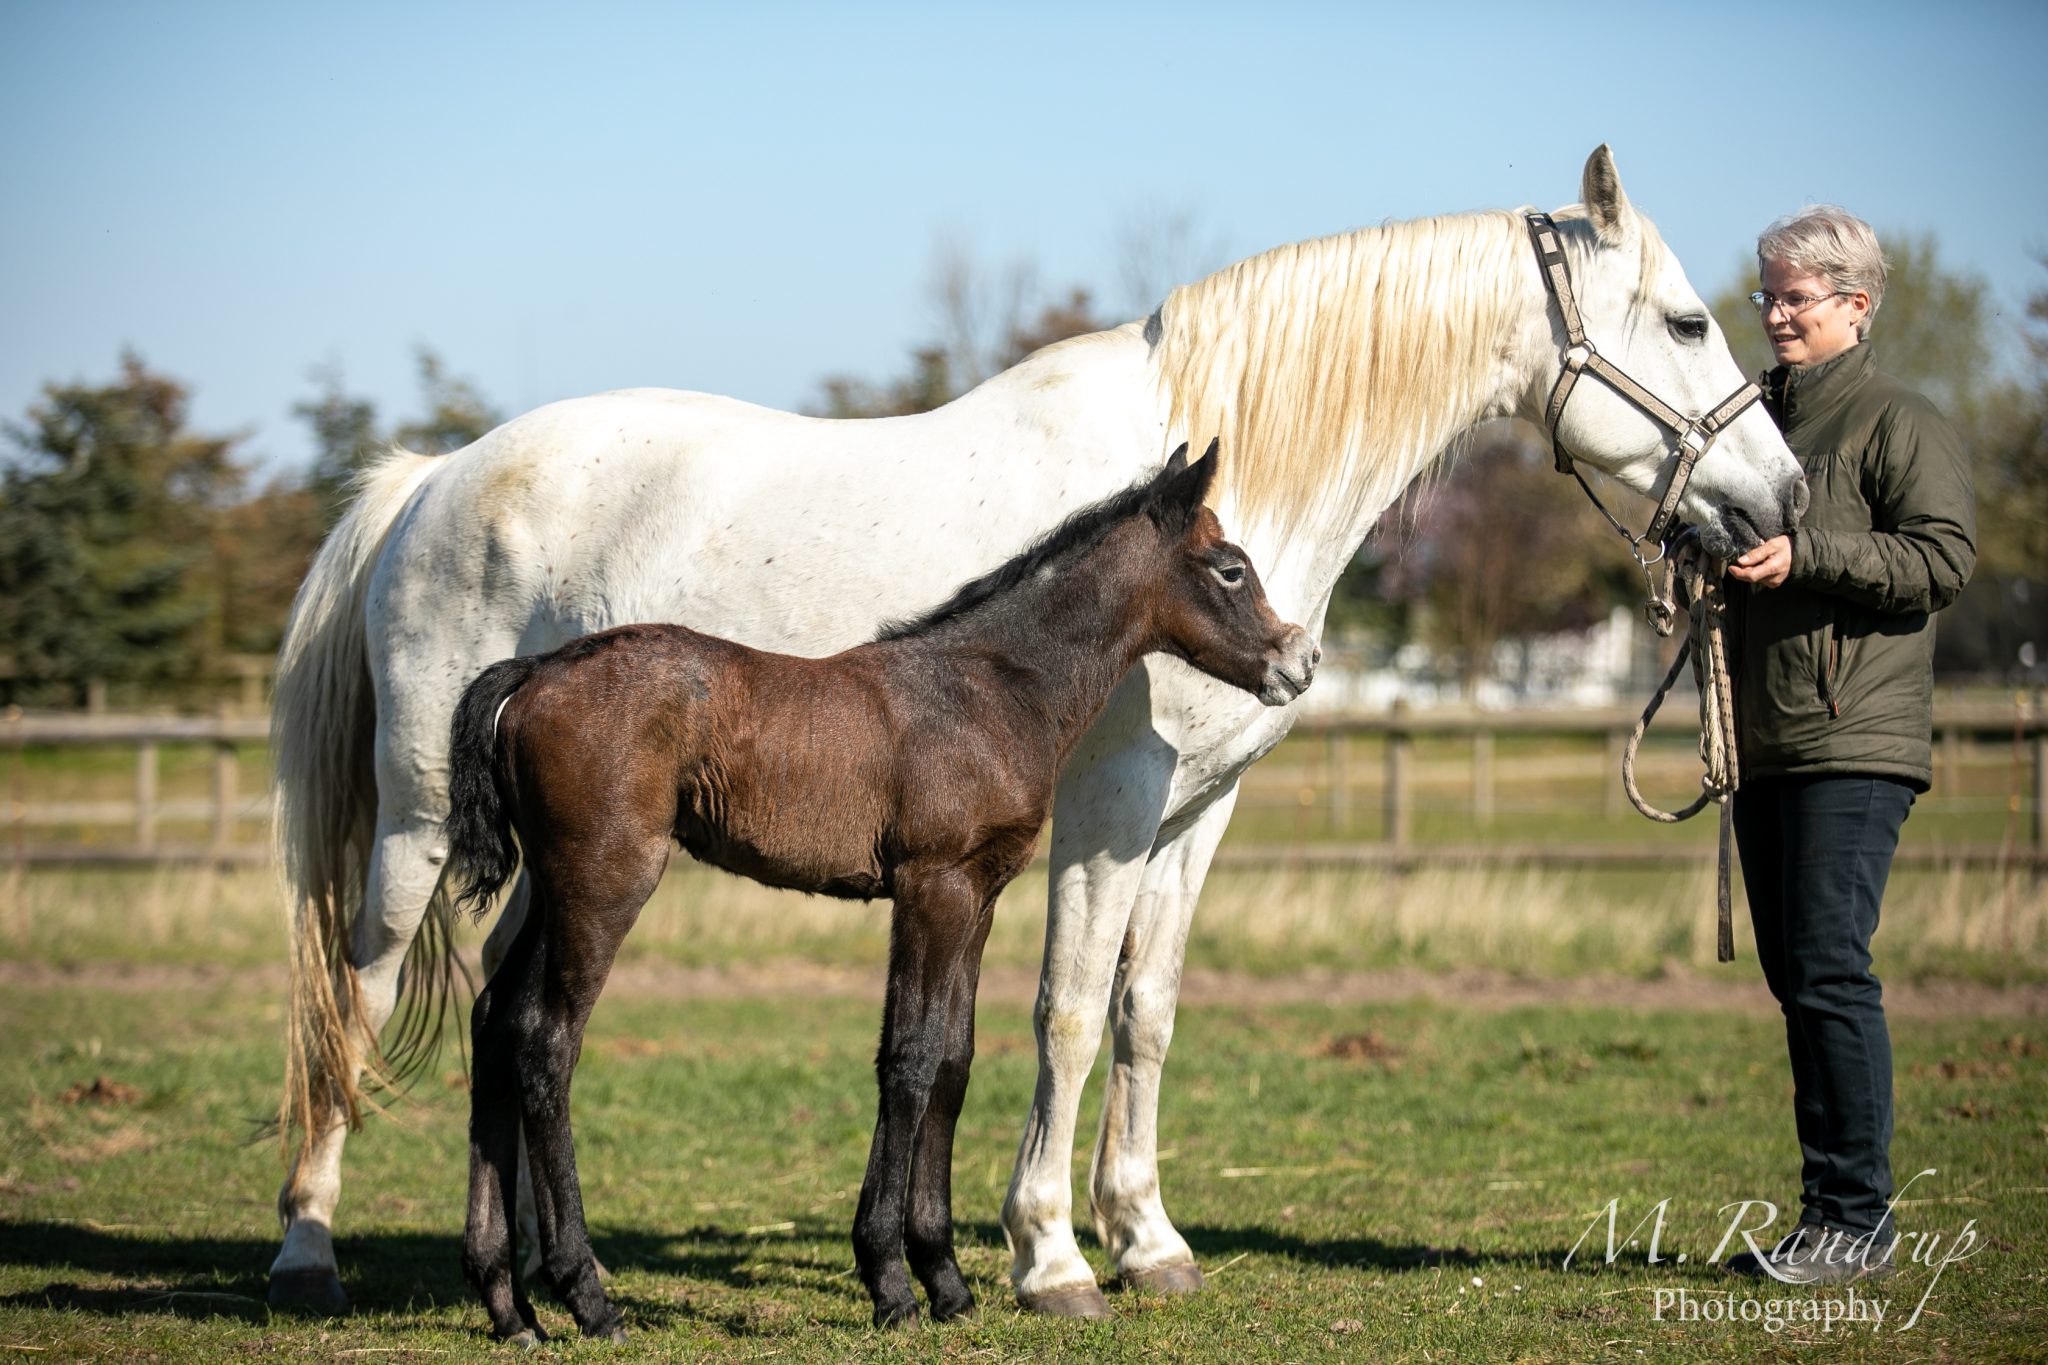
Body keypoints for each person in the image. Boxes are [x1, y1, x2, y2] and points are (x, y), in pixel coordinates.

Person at [1716, 206, 1976, 1283]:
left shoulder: (1896, 421)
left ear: (1854, 306)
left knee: (1827, 971)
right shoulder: (1742, 424)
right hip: (1767, 739)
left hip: (1852, 738)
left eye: (1794, 297)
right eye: (1766, 296)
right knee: (1796, 978)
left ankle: (1853, 1224)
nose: (1774, 314)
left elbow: (1940, 559)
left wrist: (1807, 554)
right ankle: (1828, 1214)